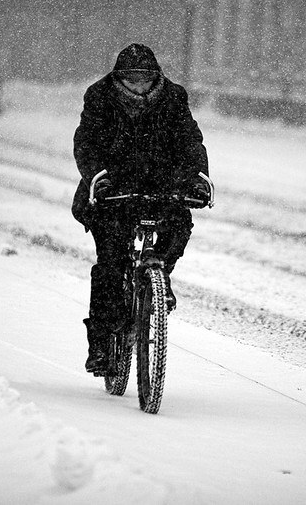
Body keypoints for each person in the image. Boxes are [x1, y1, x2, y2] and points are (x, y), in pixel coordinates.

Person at [71, 43, 210, 375]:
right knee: (109, 265)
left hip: (163, 182)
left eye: (144, 79)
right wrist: (97, 179)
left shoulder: (174, 98)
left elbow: (190, 141)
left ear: (155, 77)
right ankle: (101, 345)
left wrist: (198, 178)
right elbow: (86, 142)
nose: (138, 86)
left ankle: (160, 271)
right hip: (113, 188)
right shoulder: (99, 96)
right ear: (119, 78)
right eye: (131, 79)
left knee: (180, 224)